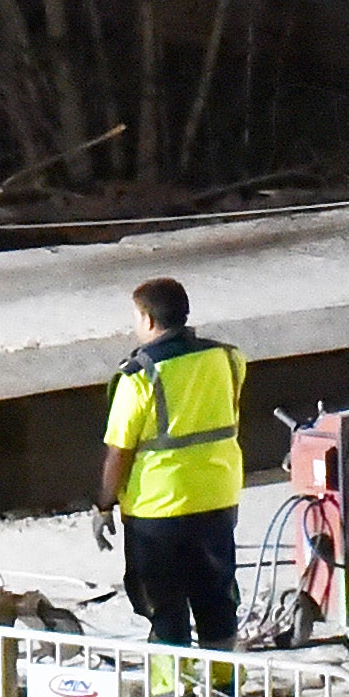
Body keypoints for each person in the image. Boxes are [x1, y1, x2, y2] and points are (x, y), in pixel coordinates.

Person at [97, 276, 245, 654]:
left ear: (147, 320)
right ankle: (224, 689)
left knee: (164, 608)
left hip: (156, 511)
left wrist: (103, 505)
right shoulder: (227, 358)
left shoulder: (139, 376)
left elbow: (119, 451)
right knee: (217, 600)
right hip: (216, 500)